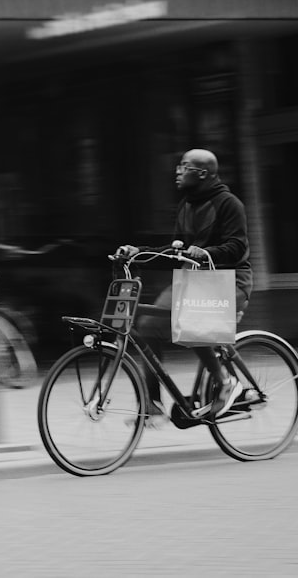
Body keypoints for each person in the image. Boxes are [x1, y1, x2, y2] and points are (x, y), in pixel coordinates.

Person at [119, 148, 252, 422]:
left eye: (184, 166)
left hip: (229, 280)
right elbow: (175, 251)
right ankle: (151, 402)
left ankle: (225, 381)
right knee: (147, 326)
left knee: (190, 320)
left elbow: (237, 247)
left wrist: (207, 253)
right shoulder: (187, 205)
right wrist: (138, 252)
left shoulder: (229, 203)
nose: (177, 171)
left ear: (202, 173)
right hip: (195, 281)